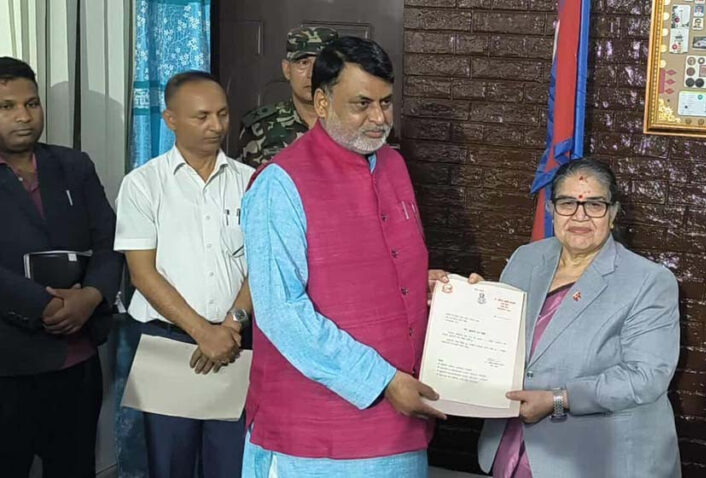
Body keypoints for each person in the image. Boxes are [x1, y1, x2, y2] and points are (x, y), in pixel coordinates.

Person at [241, 36, 470, 477]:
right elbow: (281, 313)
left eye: (385, 102)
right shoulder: (279, 184)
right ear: (322, 103)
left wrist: (426, 285)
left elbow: (375, 268)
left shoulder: (392, 165)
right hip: (312, 439)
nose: (379, 118)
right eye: (362, 104)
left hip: (400, 426)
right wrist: (381, 380)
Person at [477, 159, 683, 477]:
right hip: (514, 440)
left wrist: (558, 400)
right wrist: (470, 303)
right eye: (567, 203)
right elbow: (498, 338)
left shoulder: (648, 280)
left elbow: (646, 377)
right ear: (552, 210)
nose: (580, 216)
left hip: (597, 457)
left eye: (595, 205)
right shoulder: (525, 258)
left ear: (613, 213)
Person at [115, 70, 255, 478]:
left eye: (222, 114)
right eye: (202, 116)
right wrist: (202, 332)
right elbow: (142, 275)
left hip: (236, 342)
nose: (216, 126)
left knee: (231, 464)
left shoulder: (250, 182)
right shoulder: (143, 185)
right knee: (169, 463)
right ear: (170, 120)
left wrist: (230, 325)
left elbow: (260, 264)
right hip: (168, 344)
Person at [0, 56, 123, 478]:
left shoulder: (73, 165)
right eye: (7, 107)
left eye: (31, 104)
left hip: (76, 362)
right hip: (8, 365)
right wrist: (43, 306)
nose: (23, 116)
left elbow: (109, 241)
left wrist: (91, 296)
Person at [237, 26, 339, 167]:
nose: (311, 74)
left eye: (320, 64)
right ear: (287, 69)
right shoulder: (258, 126)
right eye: (303, 63)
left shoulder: (351, 123)